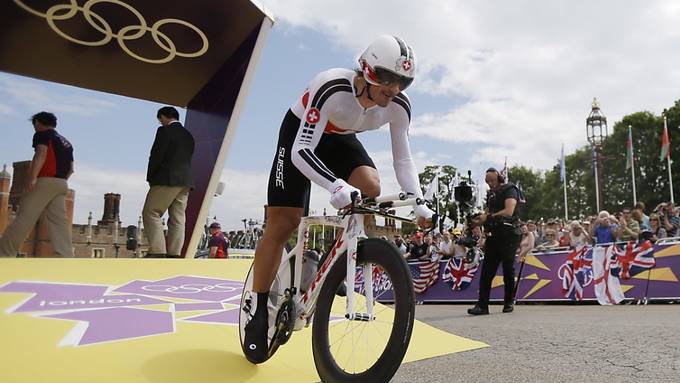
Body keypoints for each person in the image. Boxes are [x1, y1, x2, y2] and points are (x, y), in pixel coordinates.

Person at [242, 35, 433, 363]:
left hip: (341, 138)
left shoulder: (398, 105)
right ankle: (259, 307)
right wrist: (334, 185)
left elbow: (403, 159)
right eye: (388, 82)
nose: (394, 91)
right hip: (299, 138)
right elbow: (303, 150)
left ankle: (333, 260)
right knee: (283, 222)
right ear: (368, 72)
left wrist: (418, 201)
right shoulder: (331, 86)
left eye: (402, 83)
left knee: (369, 186)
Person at [0, 112, 74, 257]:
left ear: (38, 123)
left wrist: (32, 178)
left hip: (45, 180)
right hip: (62, 183)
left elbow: (41, 153)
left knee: (25, 217)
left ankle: (4, 253)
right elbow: (71, 168)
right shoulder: (66, 142)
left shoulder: (43, 134)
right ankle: (64, 255)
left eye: (34, 124)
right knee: (59, 222)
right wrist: (60, 180)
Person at [468, 168, 522, 315]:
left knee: (507, 268)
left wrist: (489, 217)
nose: (490, 184)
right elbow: (488, 214)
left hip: (509, 233)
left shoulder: (509, 189)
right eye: (488, 181)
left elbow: (509, 211)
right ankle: (482, 305)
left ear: (499, 178)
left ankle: (509, 301)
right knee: (487, 271)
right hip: (494, 234)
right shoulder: (491, 195)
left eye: (492, 180)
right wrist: (477, 221)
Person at [142, 106, 195, 258]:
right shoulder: (188, 135)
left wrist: (151, 177)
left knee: (151, 212)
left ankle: (157, 251)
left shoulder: (164, 131)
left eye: (160, 120)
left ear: (163, 117)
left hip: (167, 178)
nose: (160, 123)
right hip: (186, 181)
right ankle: (174, 253)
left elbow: (156, 155)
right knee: (178, 218)